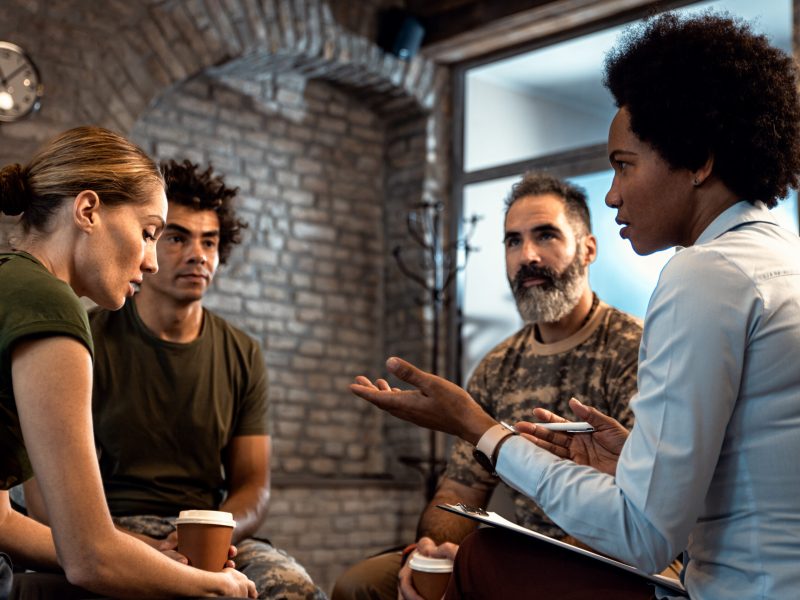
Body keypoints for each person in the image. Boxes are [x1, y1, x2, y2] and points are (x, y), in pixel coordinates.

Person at [350, 11, 800, 600]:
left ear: (699, 159)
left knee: (487, 558)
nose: (612, 194)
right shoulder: (776, 258)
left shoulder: (704, 274)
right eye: (512, 240)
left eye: (622, 165)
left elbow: (643, 536)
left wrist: (478, 427)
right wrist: (631, 461)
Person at [22, 159, 326, 600]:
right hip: (108, 524)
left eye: (210, 241)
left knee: (295, 588)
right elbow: (49, 507)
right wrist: (148, 551)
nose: (198, 254)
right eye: (175, 237)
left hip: (210, 530)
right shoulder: (80, 337)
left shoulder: (242, 352)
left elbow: (253, 487)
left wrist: (209, 536)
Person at [333, 173, 643, 600]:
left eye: (545, 236)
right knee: (362, 585)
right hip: (519, 556)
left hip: (611, 563)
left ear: (588, 249)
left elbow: (644, 512)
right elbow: (461, 488)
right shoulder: (498, 366)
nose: (526, 256)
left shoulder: (634, 350)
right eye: (512, 241)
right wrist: (434, 550)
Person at [0, 127, 256, 598]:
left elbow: (2, 522)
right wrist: (213, 587)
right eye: (148, 233)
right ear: (88, 210)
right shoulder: (51, 305)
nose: (153, 260)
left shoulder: (11, 282)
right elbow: (89, 559)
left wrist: (145, 553)